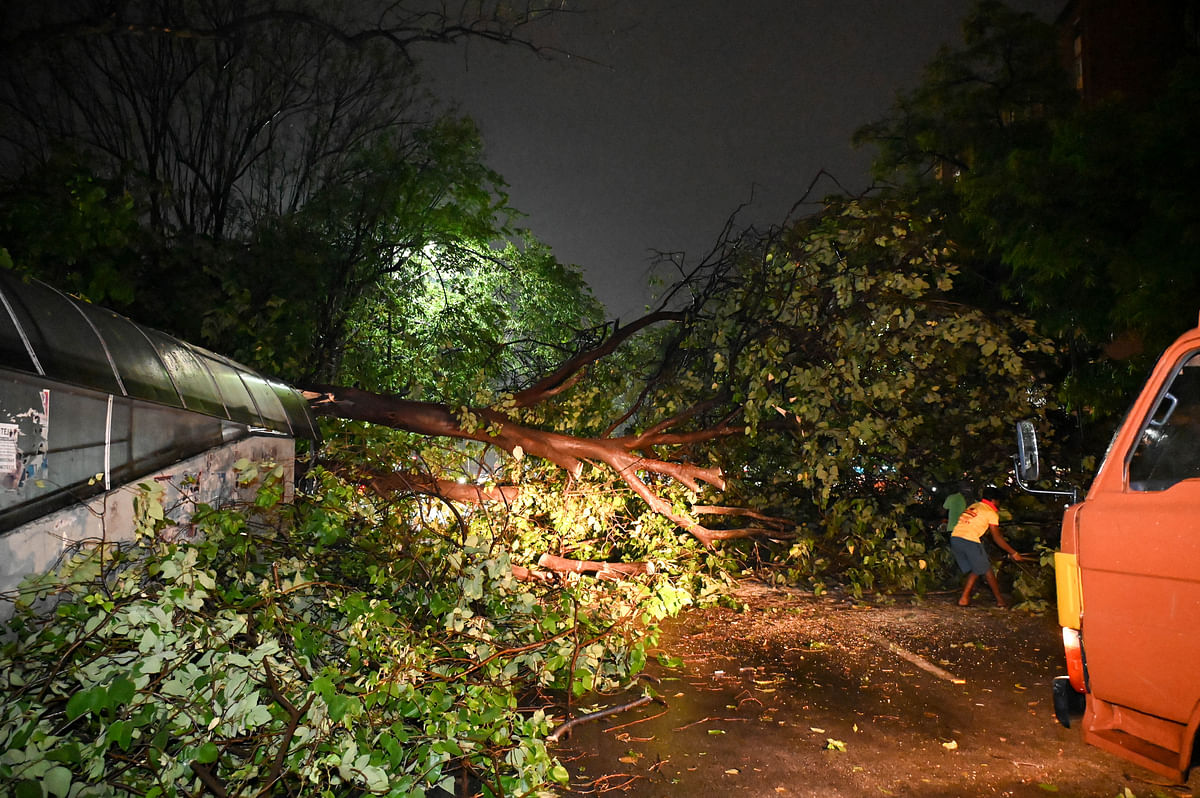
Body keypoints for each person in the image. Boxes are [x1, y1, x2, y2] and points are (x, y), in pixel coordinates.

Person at [950, 488, 1024, 607]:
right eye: (999, 501)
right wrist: (1013, 552)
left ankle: (999, 600)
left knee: (984, 568)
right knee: (979, 569)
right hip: (969, 541)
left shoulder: (974, 506)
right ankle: (964, 598)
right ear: (994, 501)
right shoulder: (991, 513)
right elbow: (997, 538)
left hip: (955, 539)